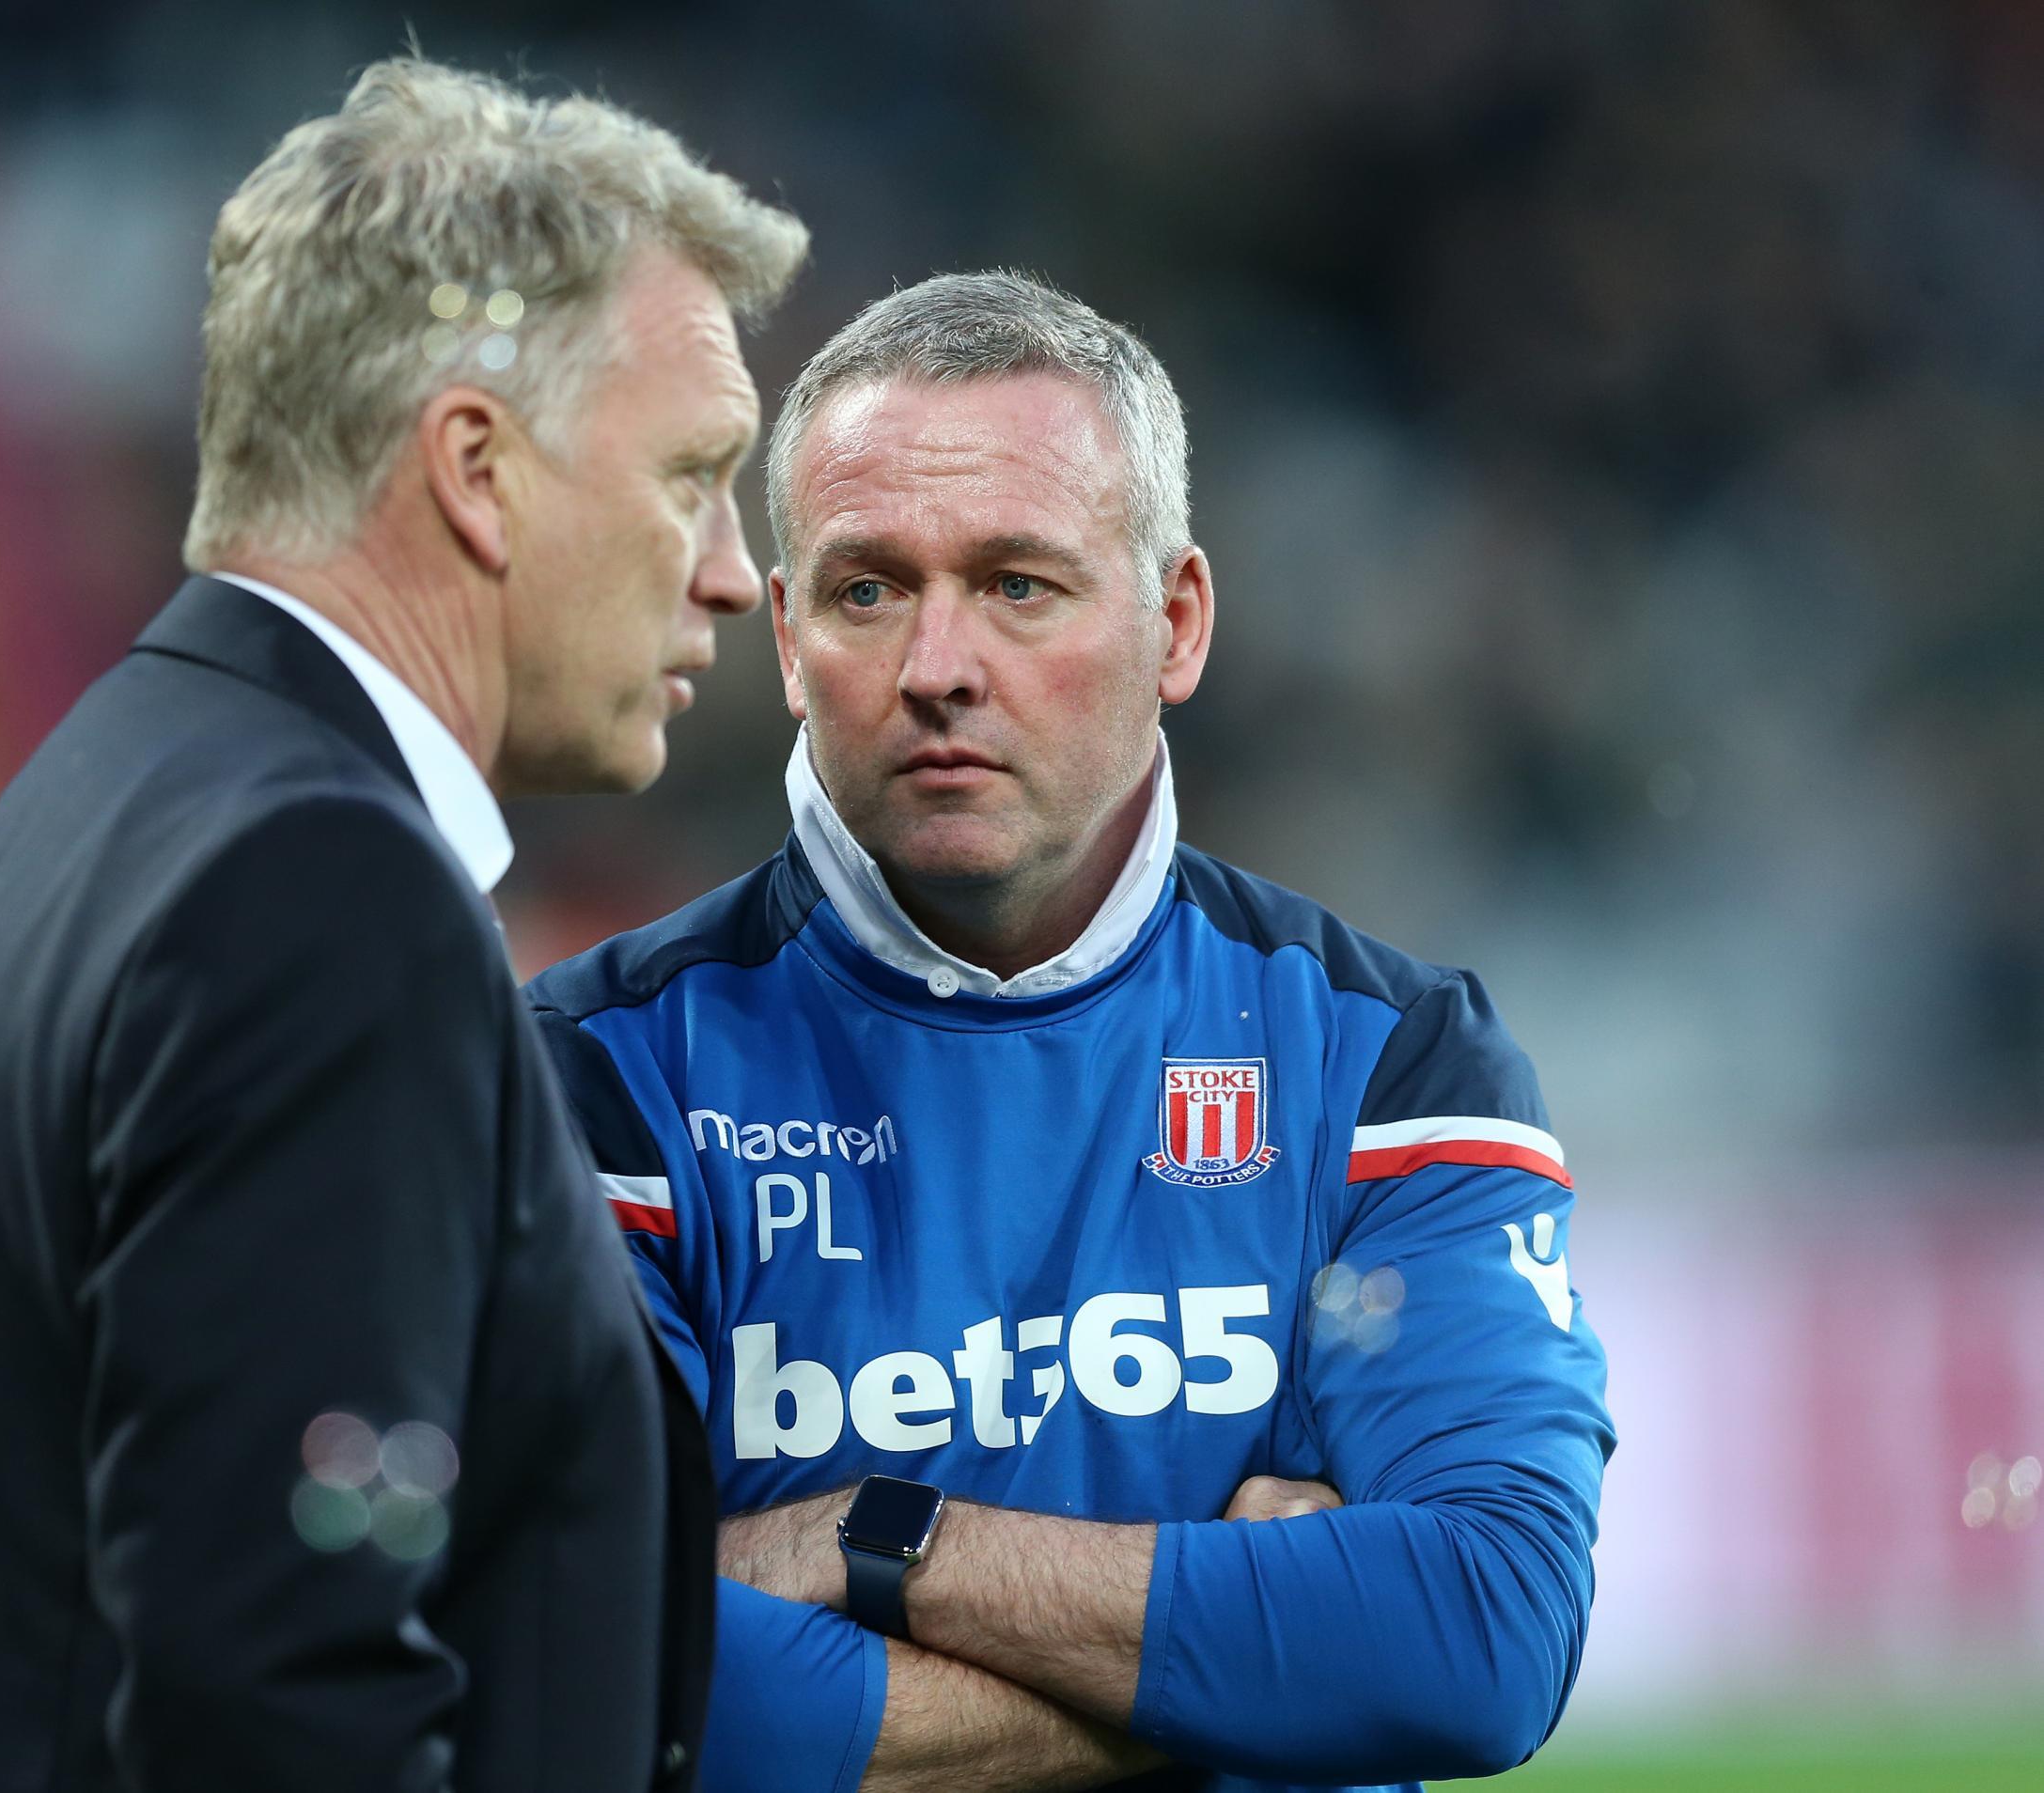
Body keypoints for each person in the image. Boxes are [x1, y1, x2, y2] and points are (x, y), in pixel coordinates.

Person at [0, 59, 804, 1793]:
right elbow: (279, 1690)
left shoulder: (98, 804)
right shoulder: (319, 896)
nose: (732, 568)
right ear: (476, 469)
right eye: (695, 474)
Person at [527, 272, 1614, 1793]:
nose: (936, 667)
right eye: (866, 590)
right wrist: (1240, 1674)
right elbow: (582, 1679)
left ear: (1175, 624)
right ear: (784, 640)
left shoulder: (1391, 1062)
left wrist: (872, 1539)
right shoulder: (584, 1085)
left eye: (1019, 583)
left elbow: (1479, 1638)